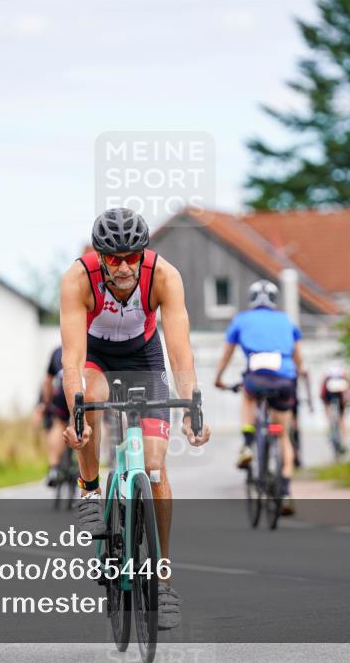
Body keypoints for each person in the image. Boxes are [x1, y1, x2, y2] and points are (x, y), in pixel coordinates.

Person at [60, 207, 211, 630]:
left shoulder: (164, 276)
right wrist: (77, 411)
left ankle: (162, 583)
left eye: (132, 255)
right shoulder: (77, 279)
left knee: (156, 467)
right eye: (114, 257)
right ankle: (90, 490)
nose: (124, 265)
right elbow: (71, 355)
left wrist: (192, 406)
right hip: (95, 358)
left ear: (143, 252)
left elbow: (180, 349)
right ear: (99, 255)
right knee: (90, 397)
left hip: (144, 359)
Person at [214, 279, 306, 515]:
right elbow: (298, 358)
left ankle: (247, 445)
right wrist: (300, 373)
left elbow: (227, 353)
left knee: (248, 396)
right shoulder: (286, 320)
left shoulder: (241, 320)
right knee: (283, 435)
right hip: (284, 380)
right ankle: (285, 491)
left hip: (256, 379)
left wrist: (219, 378)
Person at [41, 346, 70, 486]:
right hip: (84, 388)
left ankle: (54, 467)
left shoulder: (57, 351)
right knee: (90, 422)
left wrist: (47, 403)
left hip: (63, 391)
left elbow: (48, 381)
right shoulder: (90, 345)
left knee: (59, 424)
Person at [320, 365, 350, 454]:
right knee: (342, 418)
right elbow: (349, 384)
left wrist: (322, 399)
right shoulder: (342, 372)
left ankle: (331, 423)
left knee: (327, 407)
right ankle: (344, 440)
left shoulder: (328, 373)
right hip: (340, 392)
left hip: (329, 391)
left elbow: (322, 391)